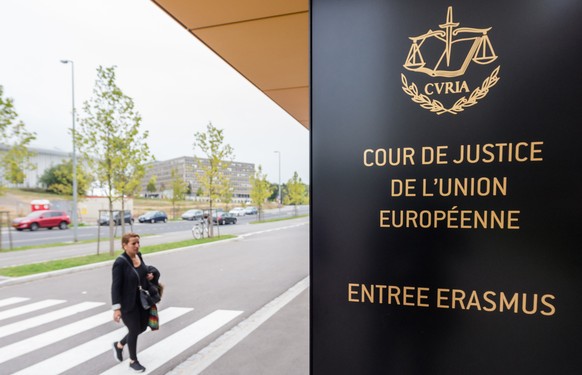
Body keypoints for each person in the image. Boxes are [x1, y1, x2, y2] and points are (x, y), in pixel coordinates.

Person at [111, 232, 159, 373]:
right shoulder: (120, 263)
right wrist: (116, 308)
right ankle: (133, 361)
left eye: (138, 242)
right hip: (127, 304)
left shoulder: (139, 256)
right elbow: (115, 286)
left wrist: (150, 275)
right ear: (124, 245)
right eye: (133, 243)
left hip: (142, 301)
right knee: (133, 330)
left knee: (142, 328)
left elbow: (143, 273)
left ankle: (119, 345)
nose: (137, 246)